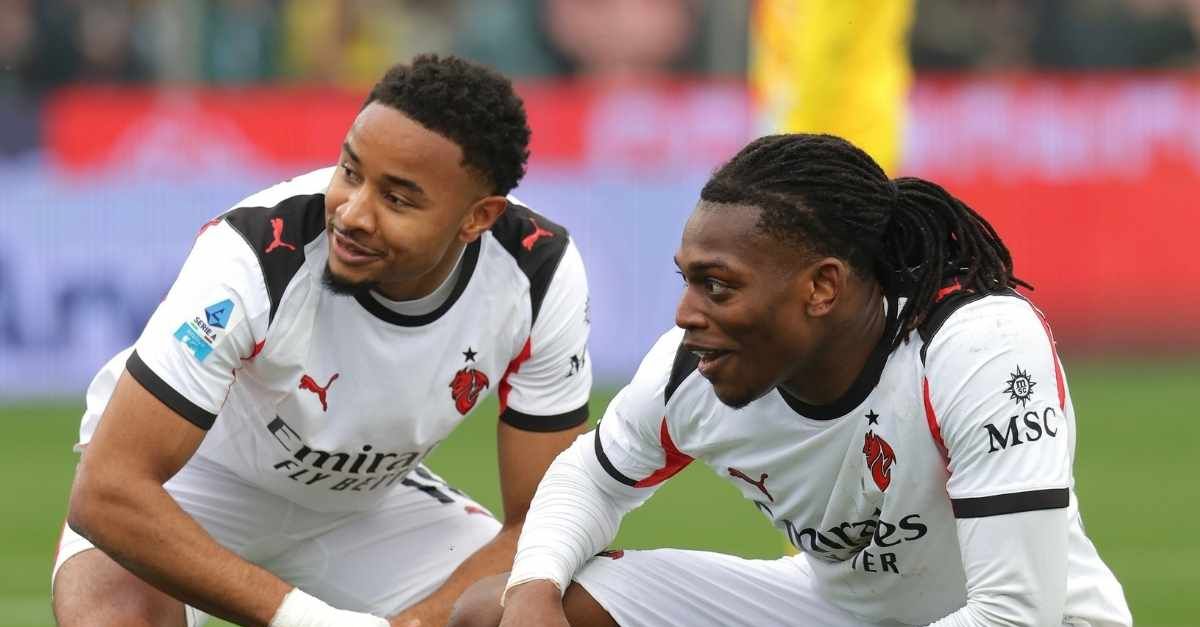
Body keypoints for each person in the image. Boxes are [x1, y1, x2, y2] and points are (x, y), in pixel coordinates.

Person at [450, 133, 1132, 627]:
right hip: (841, 608)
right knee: (492, 612)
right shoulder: (694, 365)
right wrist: (534, 589)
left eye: (718, 285)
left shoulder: (977, 346)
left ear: (822, 287)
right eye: (687, 281)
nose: (686, 314)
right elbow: (592, 478)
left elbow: (1016, 613)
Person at [52, 54, 593, 627]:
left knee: (552, 601)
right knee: (113, 616)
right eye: (351, 172)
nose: (353, 214)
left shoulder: (539, 272)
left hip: (368, 507)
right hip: (195, 484)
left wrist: (413, 625)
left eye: (397, 199)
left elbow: (542, 521)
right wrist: (311, 620)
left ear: (477, 218)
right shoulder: (255, 254)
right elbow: (107, 490)